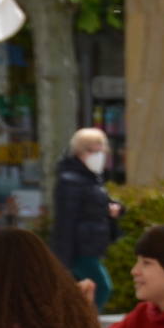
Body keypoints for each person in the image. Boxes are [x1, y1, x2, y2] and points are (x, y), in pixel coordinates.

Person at [50, 127, 123, 311]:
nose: (97, 156)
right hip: (80, 250)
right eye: (91, 151)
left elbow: (102, 203)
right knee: (101, 288)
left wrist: (116, 209)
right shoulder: (71, 181)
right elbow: (65, 222)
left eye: (100, 151)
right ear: (78, 152)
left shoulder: (91, 179)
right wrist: (63, 260)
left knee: (84, 293)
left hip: (89, 247)